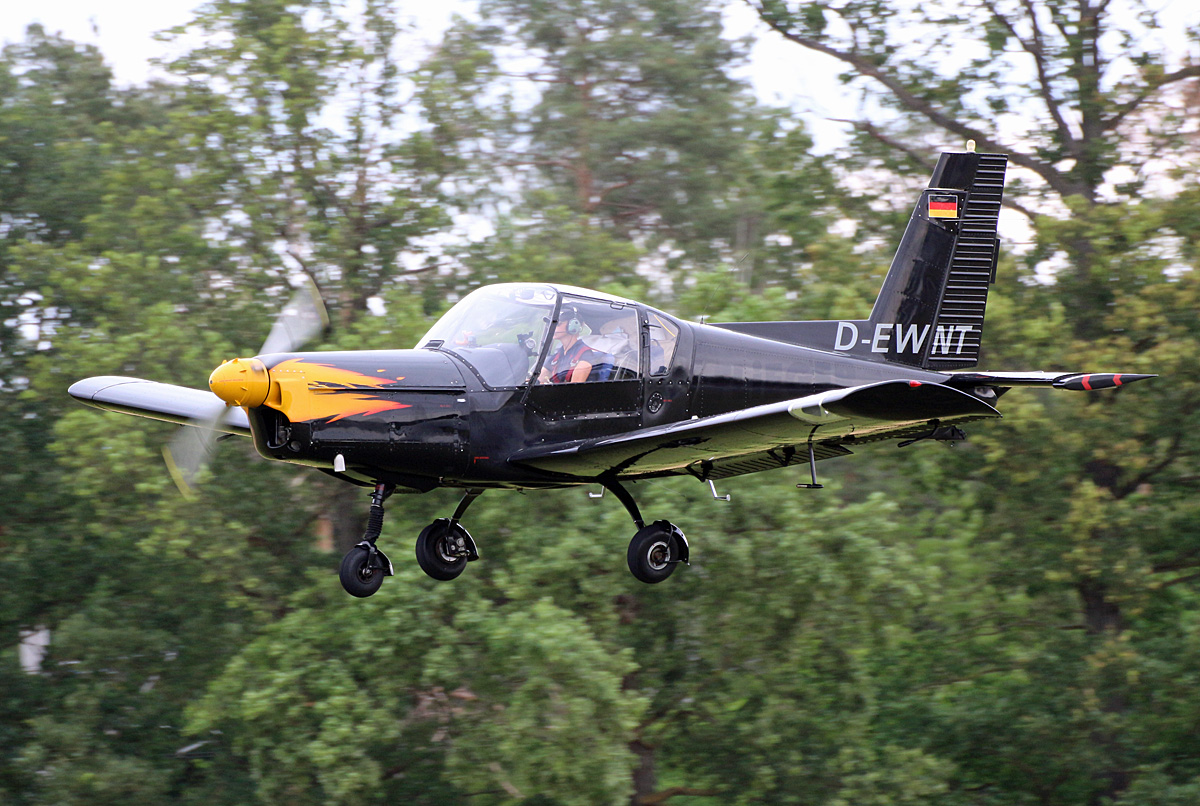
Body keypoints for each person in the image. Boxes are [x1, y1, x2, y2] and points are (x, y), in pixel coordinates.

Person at [539, 307, 601, 384]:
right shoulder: (557, 356)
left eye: (558, 324)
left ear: (573, 326)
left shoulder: (585, 355)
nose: (553, 328)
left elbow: (573, 388)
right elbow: (538, 380)